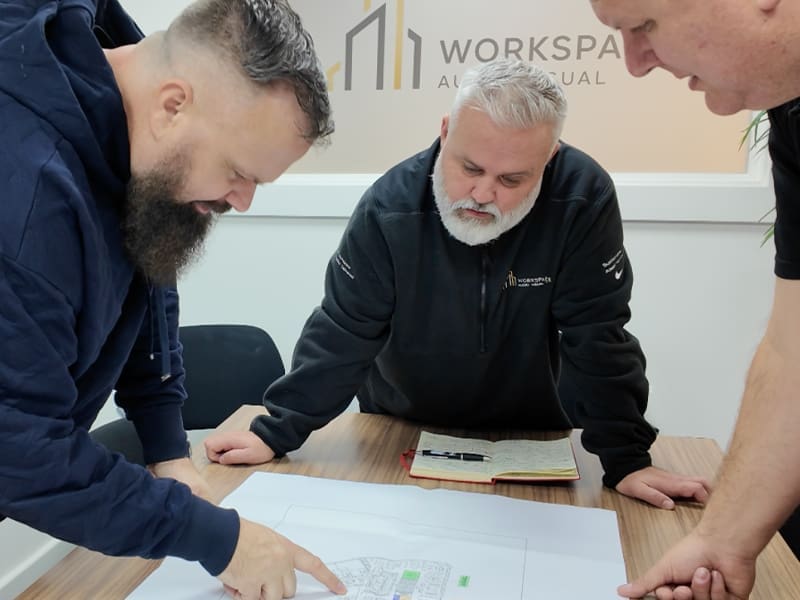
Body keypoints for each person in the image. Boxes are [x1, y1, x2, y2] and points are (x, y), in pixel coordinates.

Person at [204, 58, 711, 510]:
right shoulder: (390, 208)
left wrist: (627, 460)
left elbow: (598, 334)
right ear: (446, 131)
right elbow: (344, 330)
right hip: (399, 428)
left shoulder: (582, 198)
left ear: (549, 158)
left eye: (513, 180)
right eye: (470, 167)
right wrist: (276, 431)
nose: (483, 193)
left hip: (534, 434)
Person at [0, 0, 347, 598]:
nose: (243, 202)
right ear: (173, 106)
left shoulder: (130, 110)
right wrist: (220, 540)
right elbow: (17, 446)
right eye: (240, 173)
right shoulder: (25, 194)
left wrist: (166, 446)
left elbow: (150, 267)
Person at [588, 1, 800, 599]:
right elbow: (793, 352)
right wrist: (723, 540)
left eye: (644, 26)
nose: (635, 63)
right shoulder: (792, 113)